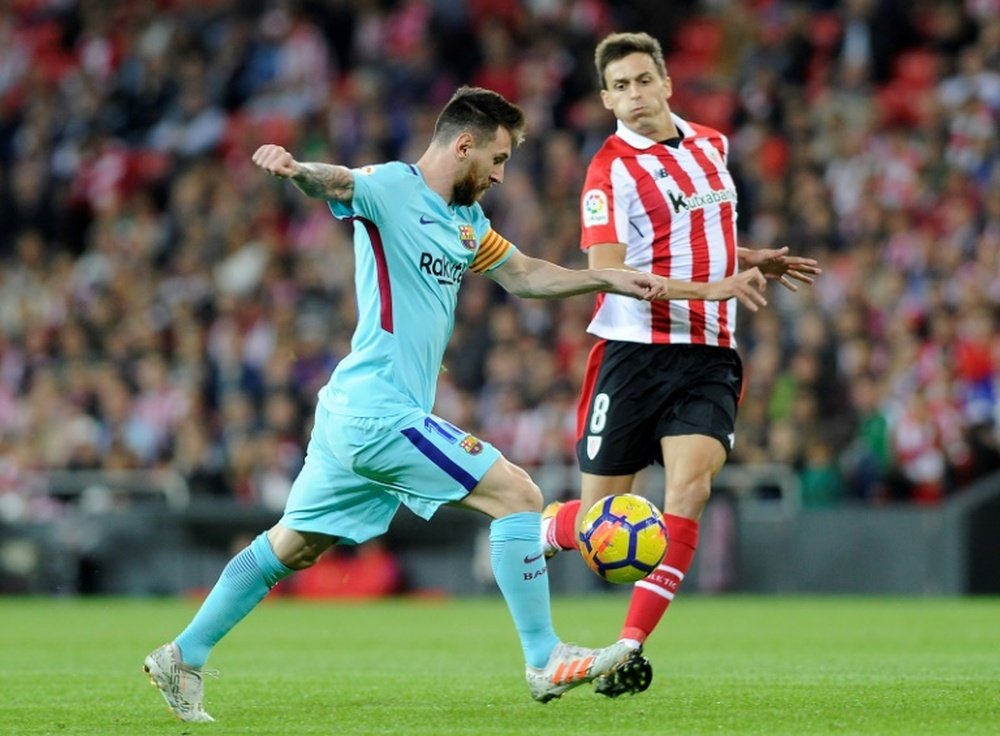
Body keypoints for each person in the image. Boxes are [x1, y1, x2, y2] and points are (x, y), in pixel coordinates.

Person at [141, 86, 771, 723]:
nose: (499, 175)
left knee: (293, 546)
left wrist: (604, 277)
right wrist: (299, 170)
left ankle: (182, 655)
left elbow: (525, 275)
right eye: (496, 160)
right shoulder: (391, 187)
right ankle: (544, 657)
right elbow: (337, 183)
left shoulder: (466, 223)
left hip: (350, 412)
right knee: (518, 496)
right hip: (379, 411)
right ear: (463, 144)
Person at [540, 32, 822, 697]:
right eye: (620, 87)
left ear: (666, 82)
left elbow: (699, 238)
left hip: (708, 355)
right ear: (606, 98)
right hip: (633, 356)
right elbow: (607, 274)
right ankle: (536, 525)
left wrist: (748, 258)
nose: (634, 96)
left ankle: (626, 648)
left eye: (644, 81)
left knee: (690, 489)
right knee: (596, 529)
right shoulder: (606, 172)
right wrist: (713, 288)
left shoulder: (714, 145)